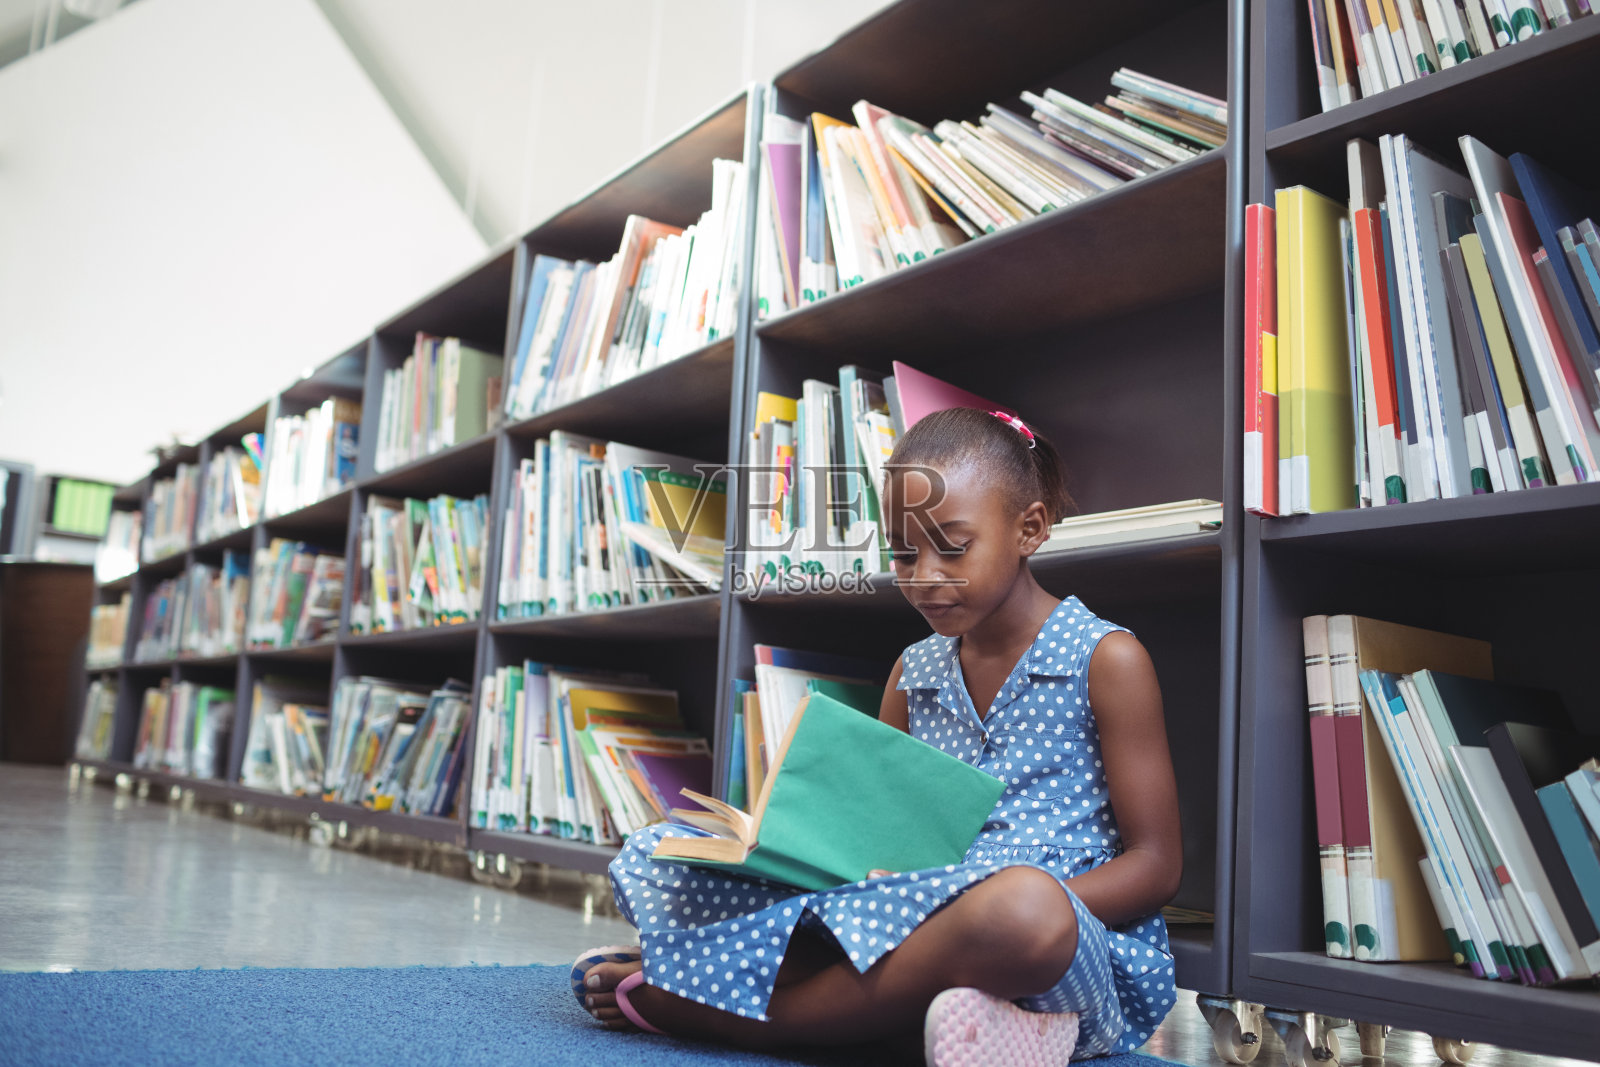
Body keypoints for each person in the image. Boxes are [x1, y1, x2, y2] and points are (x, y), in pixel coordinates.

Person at [573, 406, 1183, 1065]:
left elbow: (1156, 866)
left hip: (1057, 941)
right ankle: (951, 1029)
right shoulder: (913, 669)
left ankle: (750, 1017)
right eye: (902, 551)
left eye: (952, 546)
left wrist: (965, 903)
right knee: (661, 851)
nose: (922, 574)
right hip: (908, 916)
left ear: (1029, 528)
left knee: (1022, 908)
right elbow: (879, 840)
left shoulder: (1107, 658)